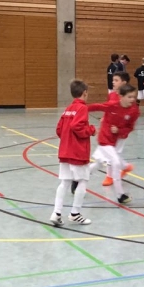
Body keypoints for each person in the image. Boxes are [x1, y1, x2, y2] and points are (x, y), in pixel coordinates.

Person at [49, 80, 107, 227]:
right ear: (85, 93)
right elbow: (77, 126)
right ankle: (75, 213)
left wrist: (67, 140)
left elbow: (59, 129)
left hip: (65, 151)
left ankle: (56, 213)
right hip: (78, 152)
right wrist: (91, 130)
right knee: (82, 181)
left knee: (65, 182)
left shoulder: (68, 109)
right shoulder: (82, 108)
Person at [93, 83, 140, 205]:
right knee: (115, 162)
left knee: (98, 164)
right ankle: (120, 195)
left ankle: (77, 180)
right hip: (104, 139)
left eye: (134, 97)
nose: (132, 99)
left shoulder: (134, 111)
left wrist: (119, 131)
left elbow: (130, 128)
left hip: (114, 140)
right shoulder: (112, 105)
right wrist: (79, 108)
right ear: (121, 97)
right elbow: (97, 106)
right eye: (129, 97)